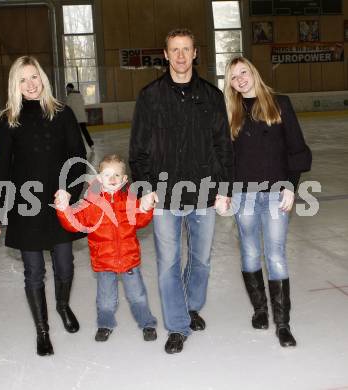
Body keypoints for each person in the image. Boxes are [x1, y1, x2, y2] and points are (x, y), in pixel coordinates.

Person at [129, 28, 234, 354]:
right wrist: (144, 187)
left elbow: (223, 147)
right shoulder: (150, 96)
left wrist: (224, 188)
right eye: (174, 49)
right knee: (169, 264)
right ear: (165, 54)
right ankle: (177, 326)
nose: (180, 56)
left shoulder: (212, 96)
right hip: (164, 197)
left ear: (195, 53)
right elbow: (138, 149)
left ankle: (191, 307)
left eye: (185, 49)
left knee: (200, 261)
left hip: (204, 193)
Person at [0, 56, 87, 356]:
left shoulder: (62, 113)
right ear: (15, 85)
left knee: (65, 266)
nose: (30, 84)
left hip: (59, 204)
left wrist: (69, 192)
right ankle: (42, 330)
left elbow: (77, 160)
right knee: (34, 271)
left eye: (34, 77)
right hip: (24, 206)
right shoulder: (9, 119)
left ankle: (63, 305)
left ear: (42, 77)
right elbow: (0, 167)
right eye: (23, 80)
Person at [224, 56, 312, 347]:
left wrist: (291, 186)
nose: (240, 80)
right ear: (231, 84)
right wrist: (224, 192)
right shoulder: (231, 112)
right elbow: (224, 158)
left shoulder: (279, 103)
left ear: (253, 72)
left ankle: (283, 324)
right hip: (243, 195)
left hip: (276, 192)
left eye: (243, 73)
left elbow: (297, 149)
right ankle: (260, 309)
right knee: (249, 253)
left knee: (275, 255)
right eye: (234, 77)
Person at [54, 154, 158, 342]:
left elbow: (141, 220)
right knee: (106, 300)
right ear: (99, 178)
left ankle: (147, 323)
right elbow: (74, 224)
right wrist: (63, 209)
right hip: (103, 261)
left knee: (138, 296)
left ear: (125, 179)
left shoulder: (130, 200)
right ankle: (105, 324)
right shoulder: (90, 203)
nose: (112, 179)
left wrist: (146, 206)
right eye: (107, 174)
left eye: (117, 175)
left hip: (129, 260)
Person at [66, 83, 94, 151]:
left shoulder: (70, 97)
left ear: (69, 88)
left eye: (67, 89)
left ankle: (76, 147)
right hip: (81, 117)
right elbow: (82, 104)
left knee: (74, 133)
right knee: (84, 131)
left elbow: (67, 107)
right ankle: (91, 144)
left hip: (75, 118)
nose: (67, 90)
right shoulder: (80, 95)